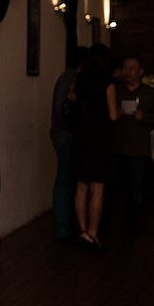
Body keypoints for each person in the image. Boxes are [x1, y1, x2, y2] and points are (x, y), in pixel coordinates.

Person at [108, 54, 154, 233]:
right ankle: (111, 224)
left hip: (138, 149)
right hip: (116, 147)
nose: (127, 72)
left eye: (132, 68)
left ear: (141, 71)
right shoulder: (115, 91)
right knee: (113, 187)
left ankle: (133, 226)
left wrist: (144, 117)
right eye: (125, 68)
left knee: (135, 189)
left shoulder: (150, 93)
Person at [71, 43, 113, 251]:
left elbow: (71, 106)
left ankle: (83, 231)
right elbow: (113, 115)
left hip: (81, 138)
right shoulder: (108, 85)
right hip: (100, 140)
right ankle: (93, 232)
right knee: (97, 188)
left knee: (81, 187)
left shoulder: (80, 81)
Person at [50, 44, 86, 241]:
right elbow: (62, 110)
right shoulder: (70, 79)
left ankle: (65, 225)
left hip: (62, 134)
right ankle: (62, 227)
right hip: (65, 136)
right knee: (65, 180)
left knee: (67, 180)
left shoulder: (66, 77)